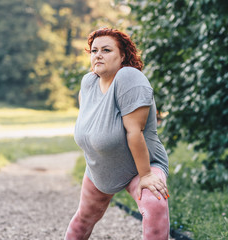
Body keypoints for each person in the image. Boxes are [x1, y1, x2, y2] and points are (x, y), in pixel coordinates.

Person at [65, 28, 170, 240]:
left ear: (123, 56)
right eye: (94, 50)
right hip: (101, 167)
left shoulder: (129, 77)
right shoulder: (88, 83)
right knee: (83, 219)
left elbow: (134, 132)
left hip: (140, 165)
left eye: (106, 50)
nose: (98, 55)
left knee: (154, 203)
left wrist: (146, 175)